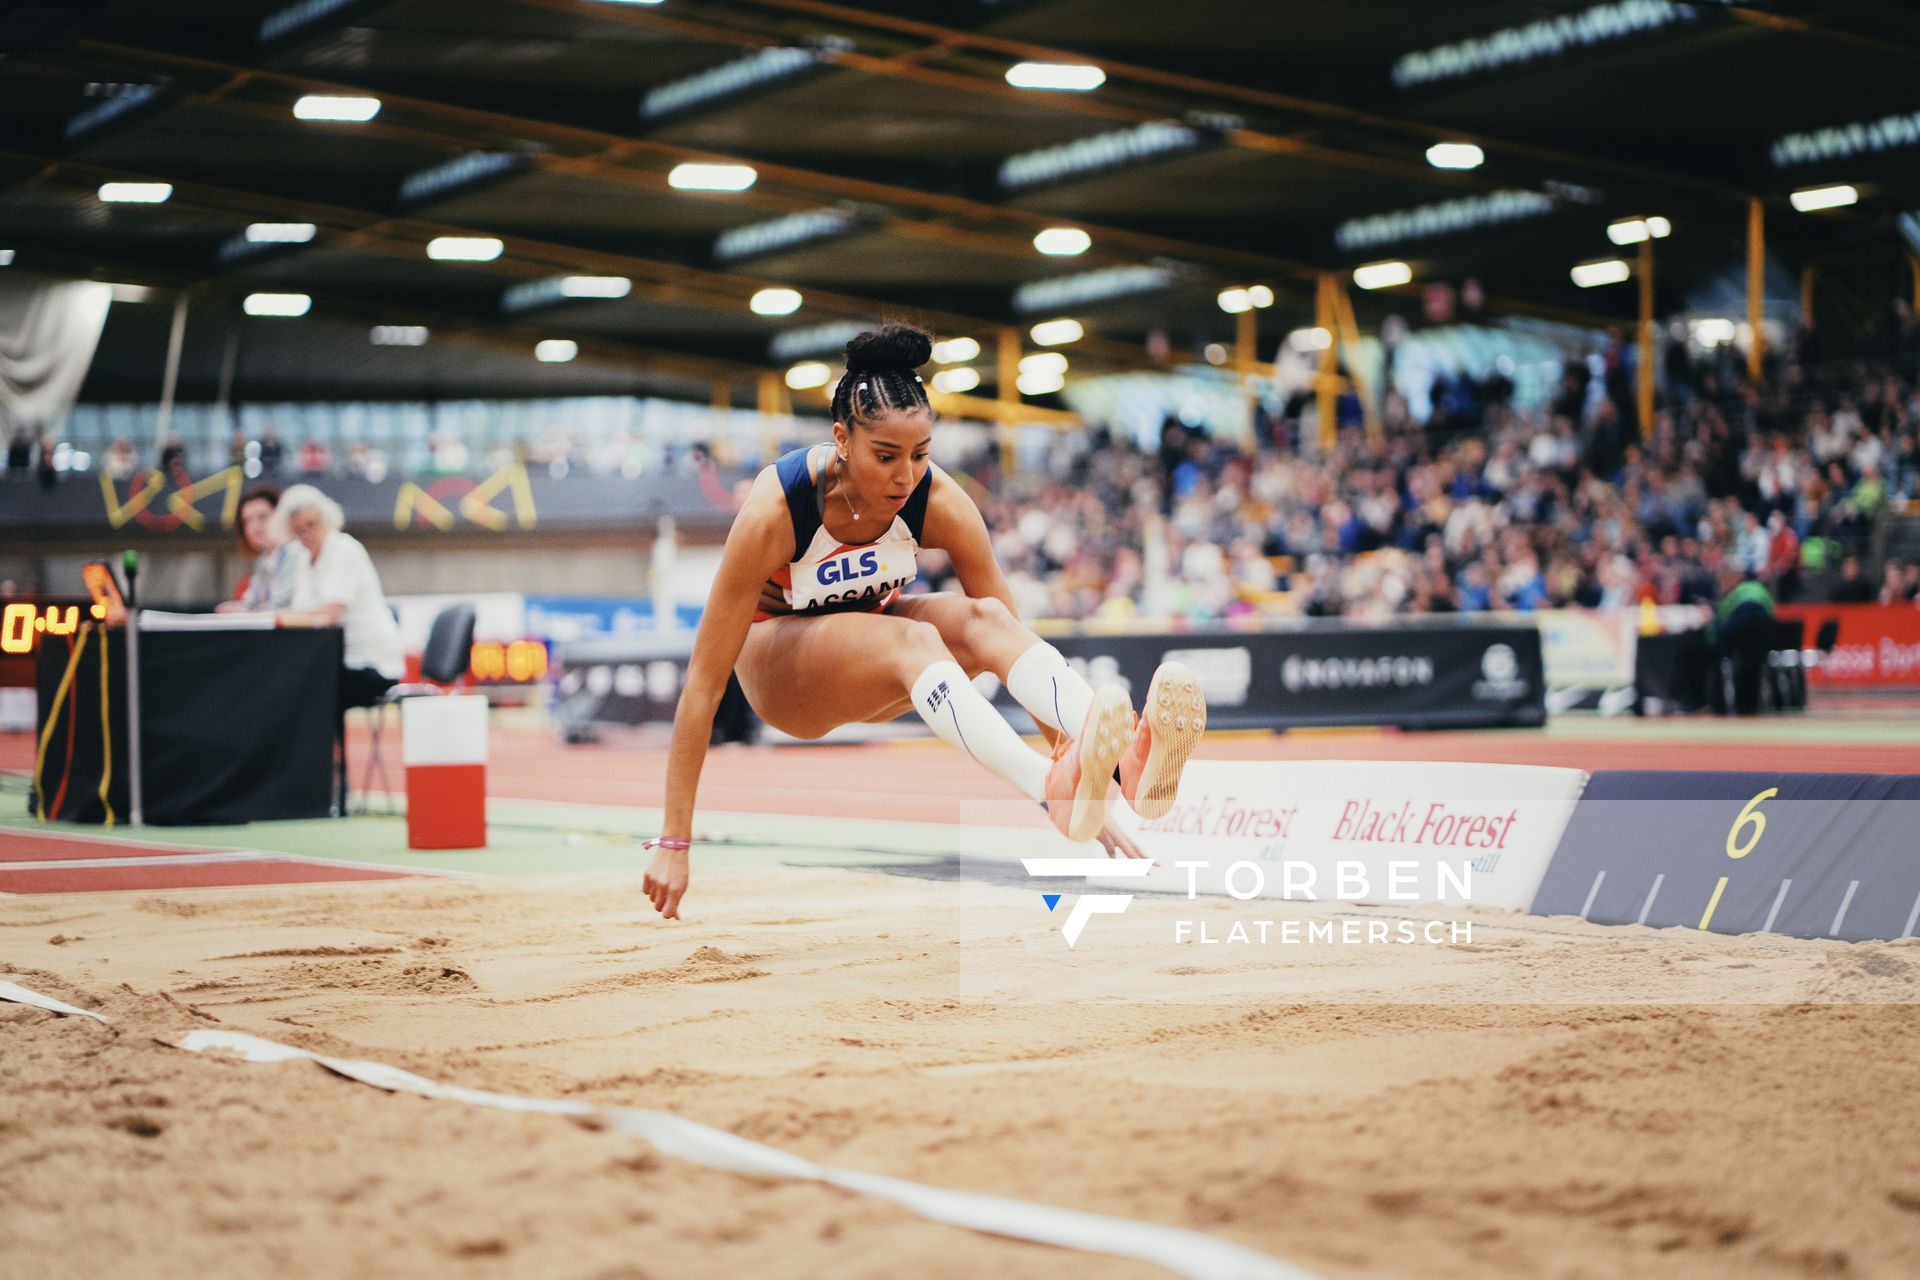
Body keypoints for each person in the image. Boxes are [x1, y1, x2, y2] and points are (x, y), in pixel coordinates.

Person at [643, 325, 1206, 920]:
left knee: (985, 619)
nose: (904, 476)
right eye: (884, 457)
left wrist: (1092, 789)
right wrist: (675, 842)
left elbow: (1014, 645)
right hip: (781, 674)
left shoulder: (937, 501)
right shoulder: (776, 510)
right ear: (841, 438)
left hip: (875, 651)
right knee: (915, 637)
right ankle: (1048, 790)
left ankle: (1127, 769)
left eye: (920, 455)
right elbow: (704, 684)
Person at [273, 484, 403, 708]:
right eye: (299, 530)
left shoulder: (344, 550)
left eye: (311, 525)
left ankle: (317, 744)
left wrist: (279, 618)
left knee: (295, 686)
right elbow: (300, 613)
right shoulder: (304, 559)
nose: (306, 534)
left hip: (369, 665)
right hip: (332, 660)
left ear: (327, 519)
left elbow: (326, 616)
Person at [216, 485, 302, 613]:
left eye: (262, 517)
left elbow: (282, 604)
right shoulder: (265, 559)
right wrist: (235, 608)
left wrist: (247, 612)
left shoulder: (294, 552)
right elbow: (251, 601)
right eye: (247, 521)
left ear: (281, 516)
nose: (254, 527)